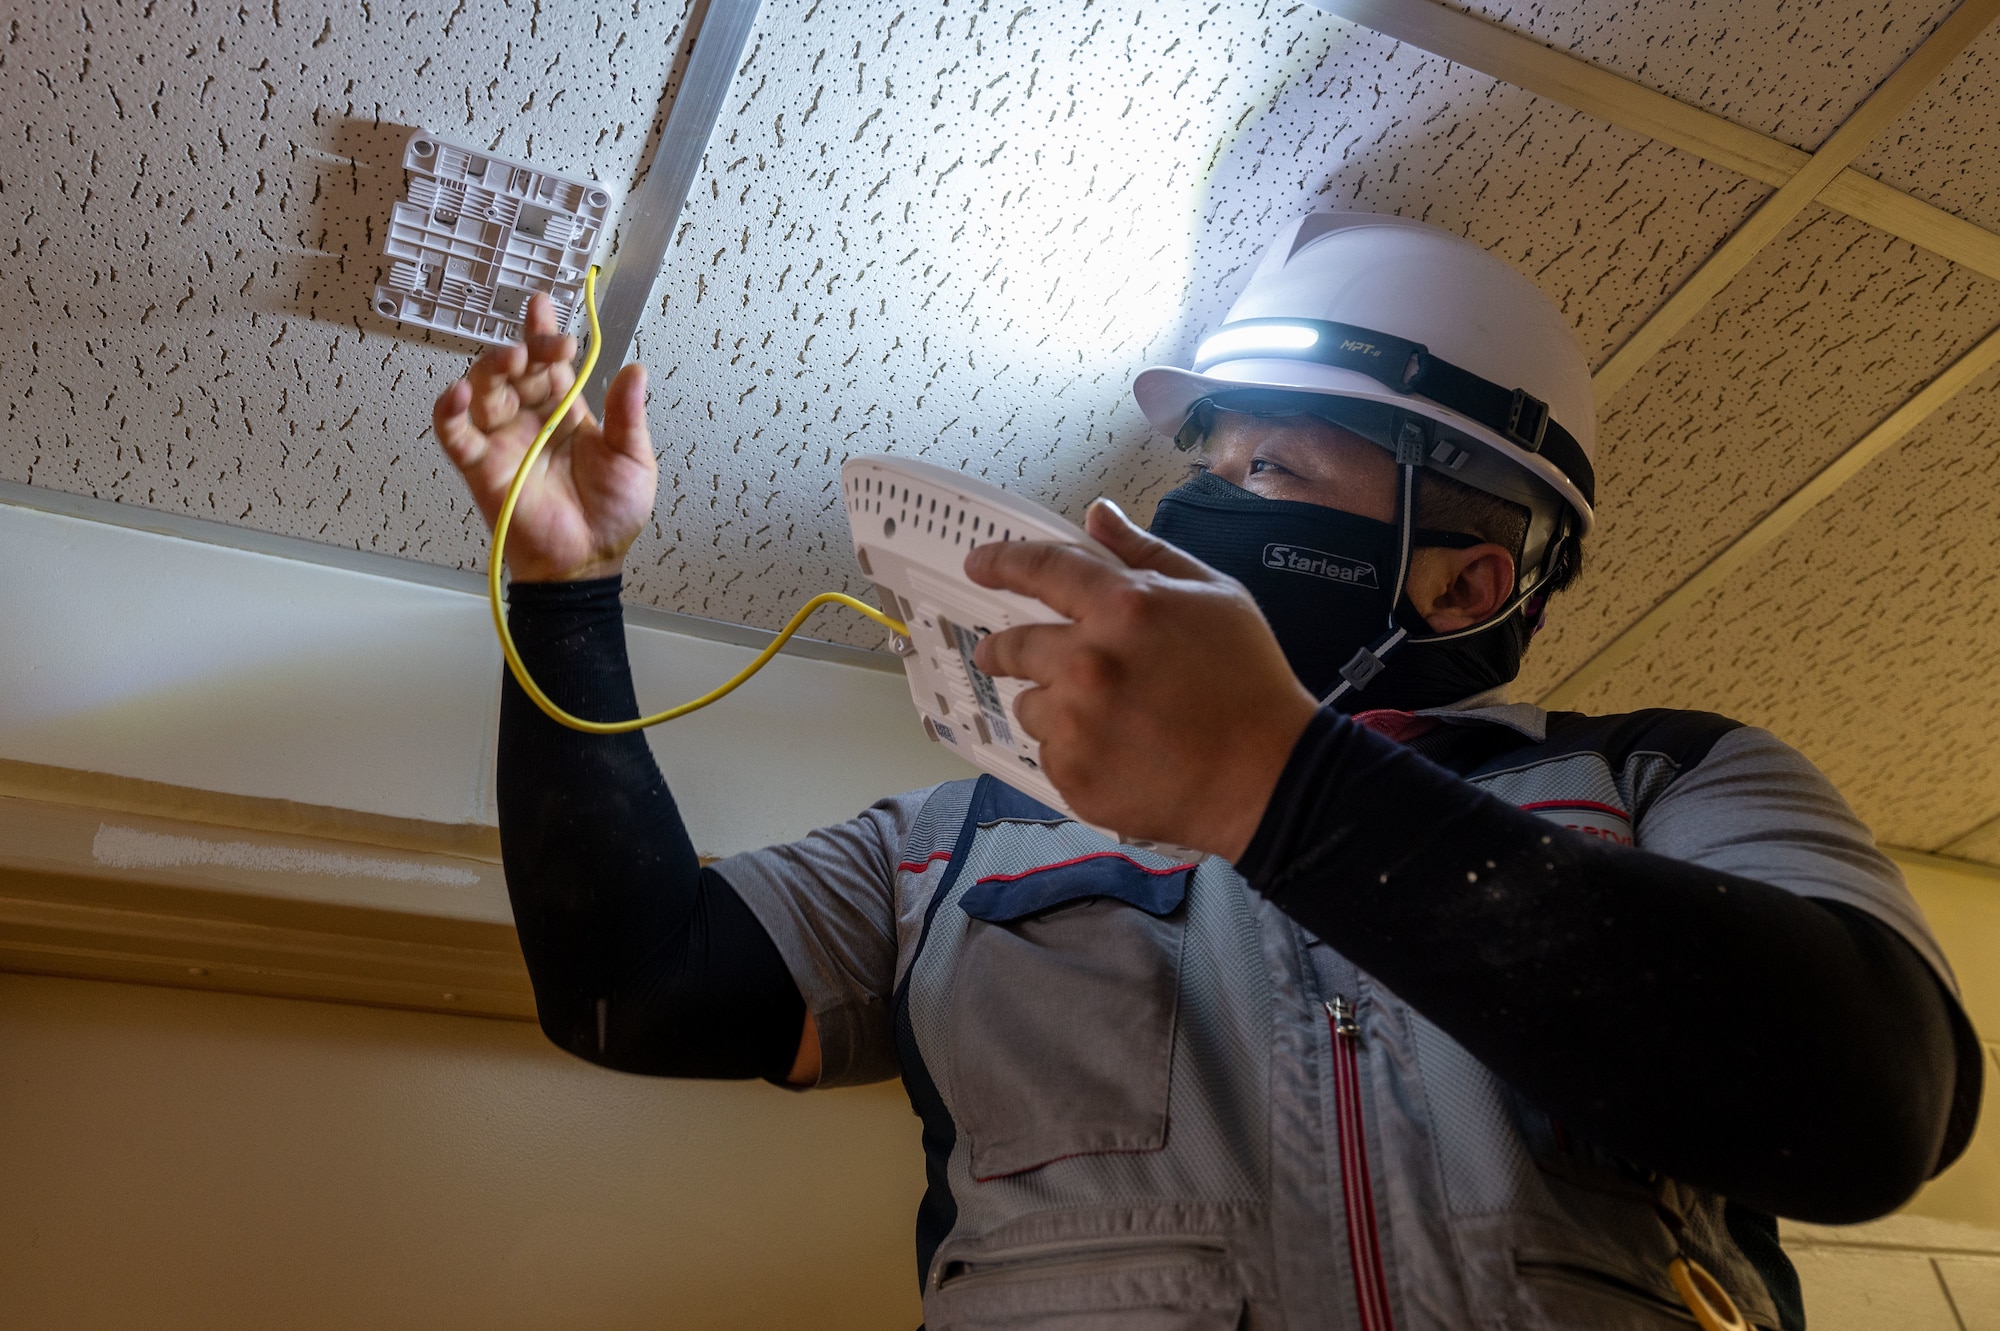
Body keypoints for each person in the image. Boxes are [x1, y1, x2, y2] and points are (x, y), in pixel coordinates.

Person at [433, 212, 1977, 1330]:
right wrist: (561, 594)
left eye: (1275, 471)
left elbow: (1870, 1102)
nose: (1206, 507)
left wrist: (1276, 784)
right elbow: (626, 981)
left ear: (1466, 582)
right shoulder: (965, 834)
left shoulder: (1670, 778)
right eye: (1214, 468)